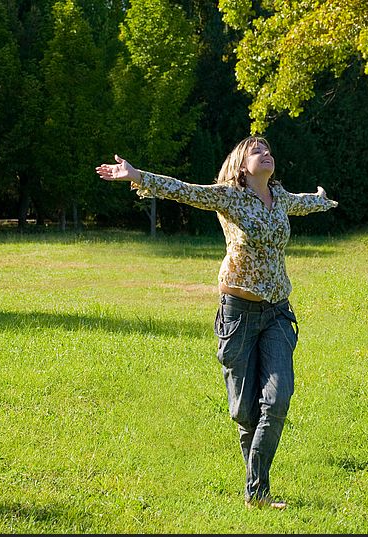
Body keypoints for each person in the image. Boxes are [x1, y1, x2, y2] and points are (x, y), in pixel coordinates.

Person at [95, 136, 337, 509]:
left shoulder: (279, 196)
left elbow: (301, 204)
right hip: (238, 313)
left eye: (269, 150)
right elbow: (185, 191)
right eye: (257, 151)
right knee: (244, 412)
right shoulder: (229, 196)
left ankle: (256, 491)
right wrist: (137, 175)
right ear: (242, 165)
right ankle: (258, 493)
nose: (267, 154)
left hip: (276, 312)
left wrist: (320, 200)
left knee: (277, 400)